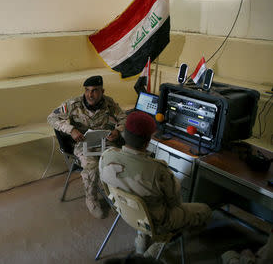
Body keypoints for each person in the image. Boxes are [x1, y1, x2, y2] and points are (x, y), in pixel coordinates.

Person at [99, 111, 212, 257]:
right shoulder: (159, 170)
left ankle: (141, 242)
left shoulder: (106, 155)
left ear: (125, 135)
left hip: (125, 213)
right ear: (148, 142)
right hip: (157, 222)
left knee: (144, 201)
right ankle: (161, 243)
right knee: (205, 210)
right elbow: (175, 204)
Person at [47, 75, 127, 219]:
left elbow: (124, 118)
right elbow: (52, 118)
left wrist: (118, 130)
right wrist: (71, 130)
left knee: (118, 160)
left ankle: (117, 197)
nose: (90, 94)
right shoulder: (73, 104)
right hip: (82, 143)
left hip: (104, 140)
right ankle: (91, 199)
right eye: (87, 90)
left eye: (95, 90)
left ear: (102, 91)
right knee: (92, 165)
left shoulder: (109, 103)